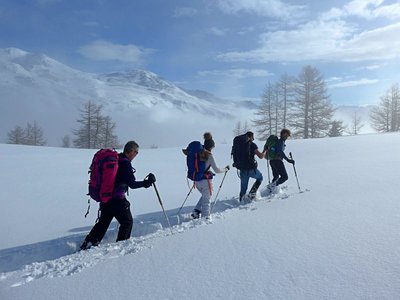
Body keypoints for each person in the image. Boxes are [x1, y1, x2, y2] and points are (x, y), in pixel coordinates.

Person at [80, 141, 156, 250]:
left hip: (106, 198)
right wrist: (146, 183)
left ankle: (88, 243)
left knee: (103, 223)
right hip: (117, 200)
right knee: (127, 222)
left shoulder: (117, 159)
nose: (136, 155)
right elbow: (132, 184)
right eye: (136, 152)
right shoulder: (125, 163)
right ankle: (121, 247)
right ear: (130, 151)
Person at [191, 132, 229, 220]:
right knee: (206, 201)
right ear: (211, 146)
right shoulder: (209, 156)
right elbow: (217, 170)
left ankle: (196, 211)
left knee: (205, 196)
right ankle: (206, 218)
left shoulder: (197, 153)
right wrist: (225, 169)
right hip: (205, 181)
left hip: (196, 180)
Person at [237, 131, 266, 202]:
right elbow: (261, 156)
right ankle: (252, 194)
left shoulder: (240, 145)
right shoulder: (252, 145)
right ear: (250, 137)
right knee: (260, 177)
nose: (253, 139)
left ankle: (241, 200)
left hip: (242, 169)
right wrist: (265, 150)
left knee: (243, 188)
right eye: (253, 137)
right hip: (251, 169)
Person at [266, 129, 294, 193]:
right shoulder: (281, 141)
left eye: (288, 135)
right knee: (284, 177)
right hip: (277, 161)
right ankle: (272, 186)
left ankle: (270, 191)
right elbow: (279, 151)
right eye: (286, 135)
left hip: (272, 161)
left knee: (276, 177)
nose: (287, 137)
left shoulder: (279, 141)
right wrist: (287, 159)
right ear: (283, 134)